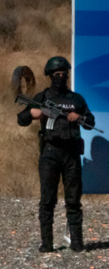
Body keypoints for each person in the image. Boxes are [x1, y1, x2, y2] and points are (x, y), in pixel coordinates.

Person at [17, 56, 95, 253]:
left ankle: (77, 242)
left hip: (71, 154)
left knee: (73, 200)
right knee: (47, 199)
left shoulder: (76, 99)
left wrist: (80, 117)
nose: (61, 77)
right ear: (50, 75)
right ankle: (47, 243)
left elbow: (91, 121)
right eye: (56, 74)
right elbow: (22, 119)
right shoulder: (41, 98)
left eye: (64, 73)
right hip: (50, 153)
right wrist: (36, 113)